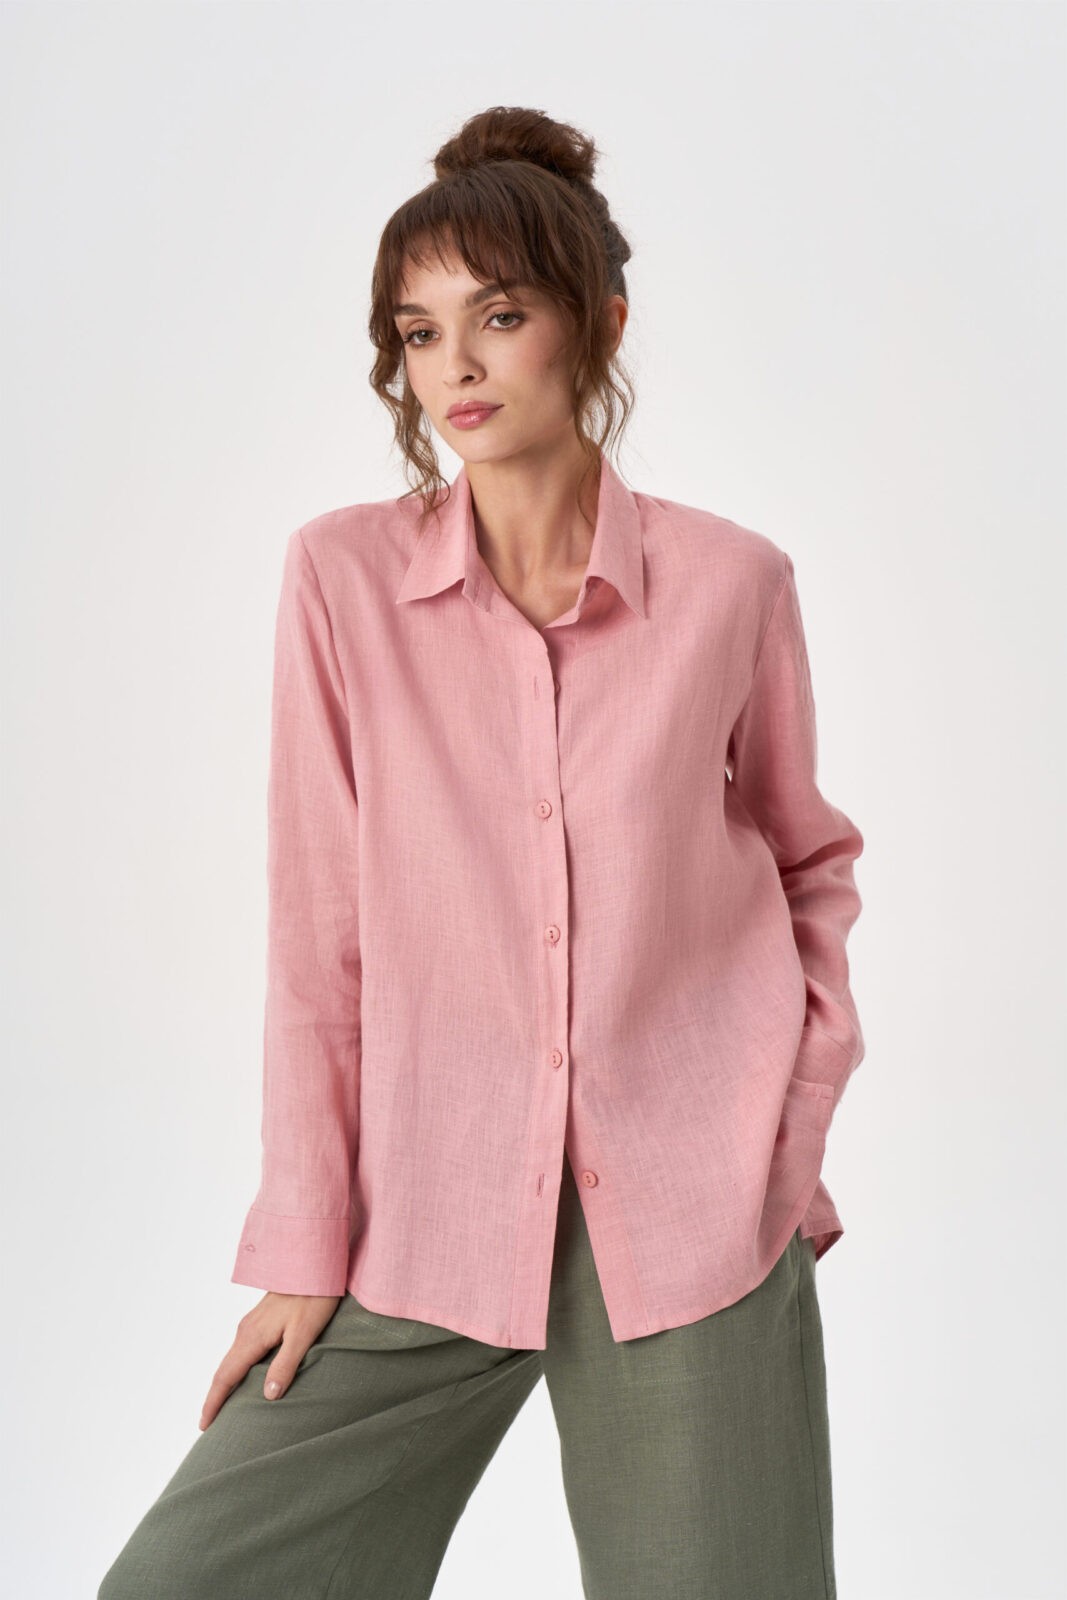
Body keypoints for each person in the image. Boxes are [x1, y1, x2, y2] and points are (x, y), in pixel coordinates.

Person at [98, 103, 865, 1600]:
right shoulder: (340, 580)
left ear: (599, 323)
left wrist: (785, 1137)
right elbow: (320, 934)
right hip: (425, 1207)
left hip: (696, 1207)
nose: (453, 364)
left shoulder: (733, 583)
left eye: (498, 316)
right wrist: (304, 1242)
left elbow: (807, 865)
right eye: (419, 330)